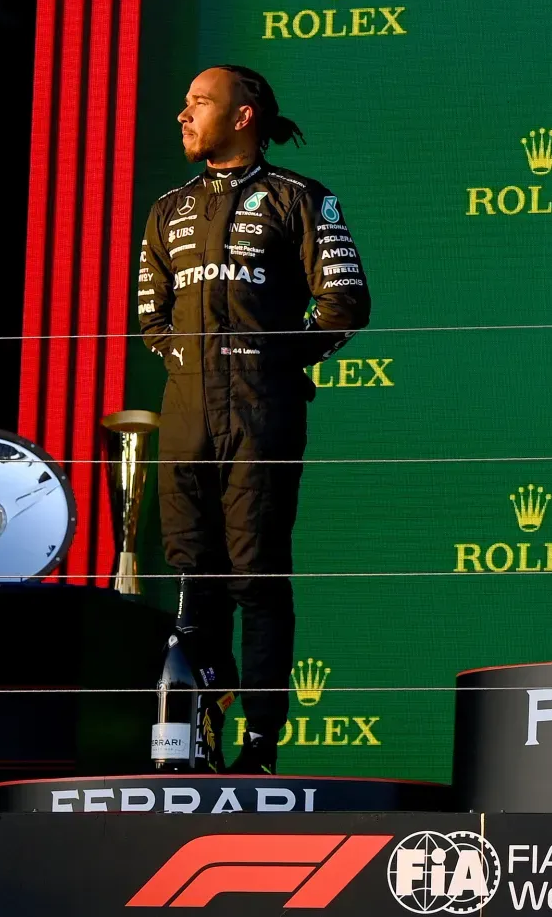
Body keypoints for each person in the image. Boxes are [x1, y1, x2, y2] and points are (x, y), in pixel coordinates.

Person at [137, 65, 370, 772]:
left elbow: (346, 304)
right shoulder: (167, 208)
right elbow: (152, 317)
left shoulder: (300, 197)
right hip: (186, 413)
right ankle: (190, 737)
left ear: (242, 116)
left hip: (261, 412)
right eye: (183, 104)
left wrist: (266, 358)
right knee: (192, 573)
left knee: (258, 574)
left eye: (198, 102)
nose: (183, 114)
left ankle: (260, 745)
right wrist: (196, 364)